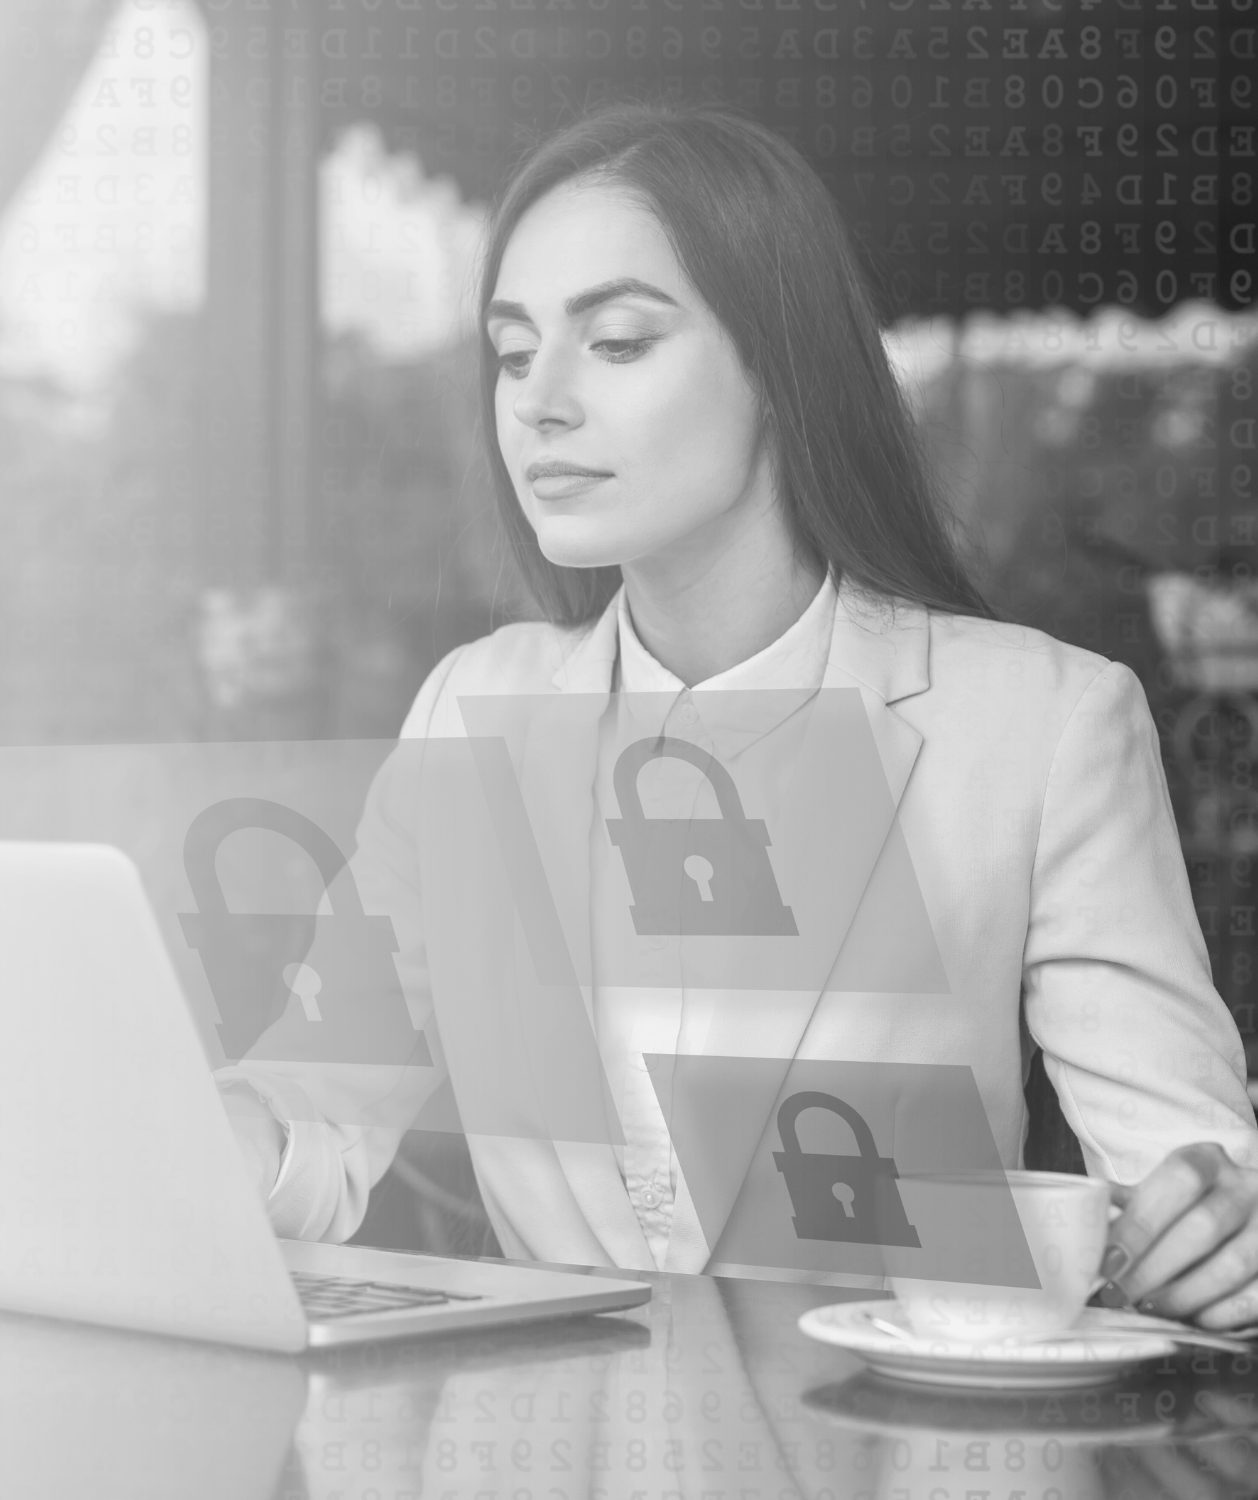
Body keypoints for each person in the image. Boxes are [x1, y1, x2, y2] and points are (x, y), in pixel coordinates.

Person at [218, 101, 1258, 1328]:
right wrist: (211, 1130)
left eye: (613, 342)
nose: (538, 402)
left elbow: (1191, 1181)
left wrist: (1215, 1237)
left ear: (777, 367)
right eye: (510, 352)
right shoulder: (472, 712)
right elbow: (317, 1109)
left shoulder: (1040, 726)